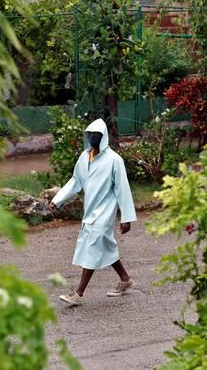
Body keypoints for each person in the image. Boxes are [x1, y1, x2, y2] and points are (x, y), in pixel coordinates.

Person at [49, 118, 137, 305]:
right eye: (90, 134)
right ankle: (125, 279)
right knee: (105, 246)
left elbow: (123, 188)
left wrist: (126, 218)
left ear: (104, 137)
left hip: (105, 211)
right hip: (90, 211)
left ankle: (78, 293)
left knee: (92, 247)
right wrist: (57, 200)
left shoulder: (114, 160)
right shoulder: (84, 157)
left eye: (97, 135)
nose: (93, 138)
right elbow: (75, 182)